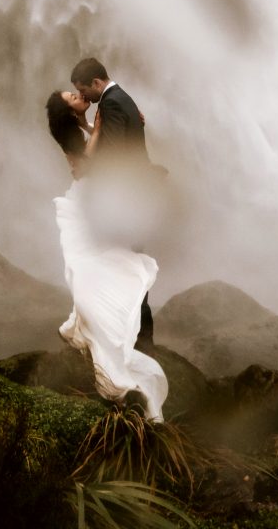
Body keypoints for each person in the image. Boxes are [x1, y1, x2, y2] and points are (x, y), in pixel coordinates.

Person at [45, 89, 168, 420]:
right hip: (88, 194)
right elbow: (85, 165)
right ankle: (107, 330)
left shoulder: (76, 124)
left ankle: (95, 323)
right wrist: (98, 131)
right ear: (65, 108)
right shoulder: (66, 132)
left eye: (76, 90)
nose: (78, 95)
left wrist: (123, 122)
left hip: (95, 196)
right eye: (72, 95)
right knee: (96, 265)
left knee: (97, 264)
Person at [69, 57, 157, 349]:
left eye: (84, 90)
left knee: (122, 264)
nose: (84, 97)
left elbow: (115, 151)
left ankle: (134, 337)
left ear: (96, 82)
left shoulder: (111, 103)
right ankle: (136, 335)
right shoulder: (120, 99)